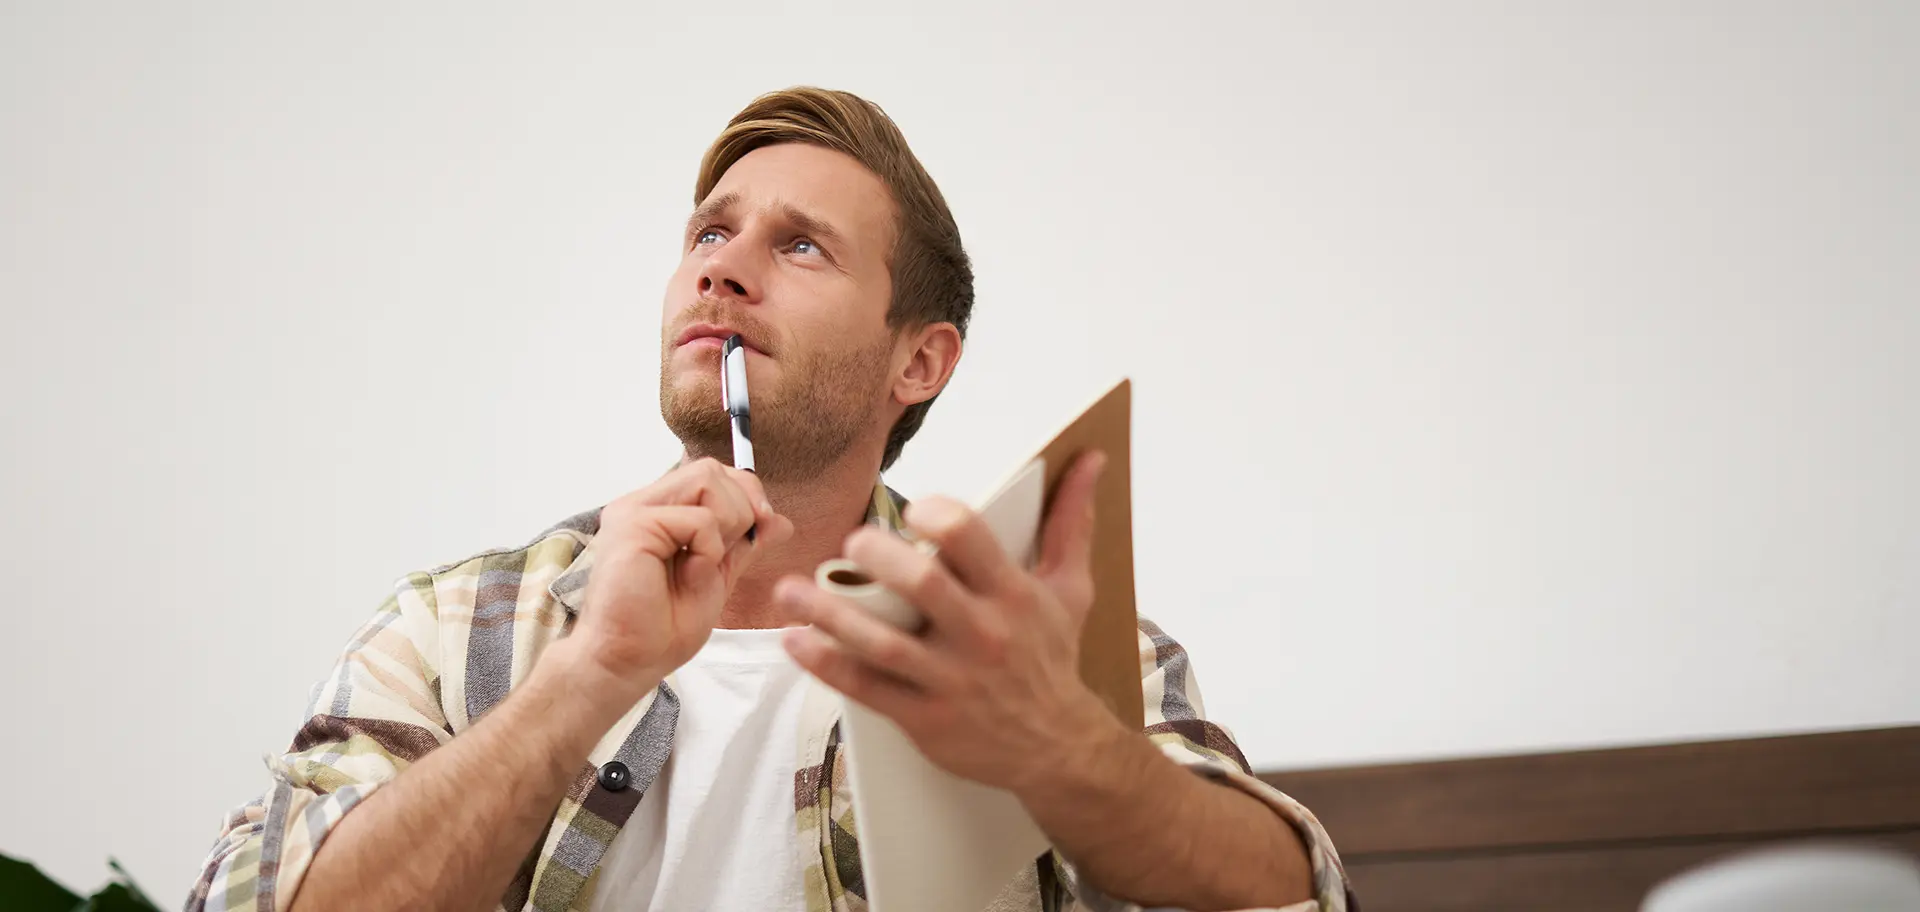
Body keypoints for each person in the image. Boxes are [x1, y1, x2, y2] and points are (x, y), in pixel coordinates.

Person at [188, 87, 1353, 912]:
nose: (721, 267)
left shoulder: (1019, 634)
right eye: (711, 232)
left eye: (801, 249)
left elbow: (1292, 893)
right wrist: (586, 677)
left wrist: (1063, 751)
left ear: (920, 362)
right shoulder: (458, 627)